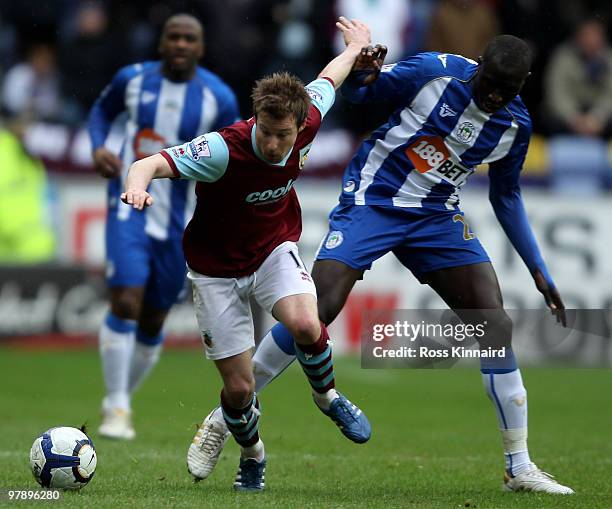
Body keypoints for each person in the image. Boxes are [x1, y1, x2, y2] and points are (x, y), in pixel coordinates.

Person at [191, 35, 576, 495]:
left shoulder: (514, 124)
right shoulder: (436, 71)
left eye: (506, 90)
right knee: (319, 307)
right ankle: (226, 415)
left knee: (493, 324)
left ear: (523, 85)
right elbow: (362, 95)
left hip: (436, 215)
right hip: (374, 198)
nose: (494, 96)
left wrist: (537, 268)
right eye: (489, 84)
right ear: (479, 69)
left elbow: (506, 194)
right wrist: (364, 74)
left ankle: (519, 466)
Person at [121, 17, 378, 492]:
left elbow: (329, 79)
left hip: (272, 249)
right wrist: (137, 189)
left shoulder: (310, 118)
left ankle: (329, 399)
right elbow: (149, 163)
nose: (273, 142)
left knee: (306, 322)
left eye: (283, 134)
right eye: (266, 130)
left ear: (301, 125)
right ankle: (253, 455)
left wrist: (356, 46)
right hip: (214, 270)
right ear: (255, 118)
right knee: (239, 391)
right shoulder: (223, 149)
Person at [87, 13, 240, 440]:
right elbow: (101, 113)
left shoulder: (218, 97)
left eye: (189, 38)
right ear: (161, 43)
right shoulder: (131, 80)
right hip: (128, 206)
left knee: (154, 319)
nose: (180, 44)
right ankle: (117, 406)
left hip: (179, 220)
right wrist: (99, 147)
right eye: (173, 36)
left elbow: (231, 154)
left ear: (201, 47)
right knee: (126, 300)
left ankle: (120, 398)